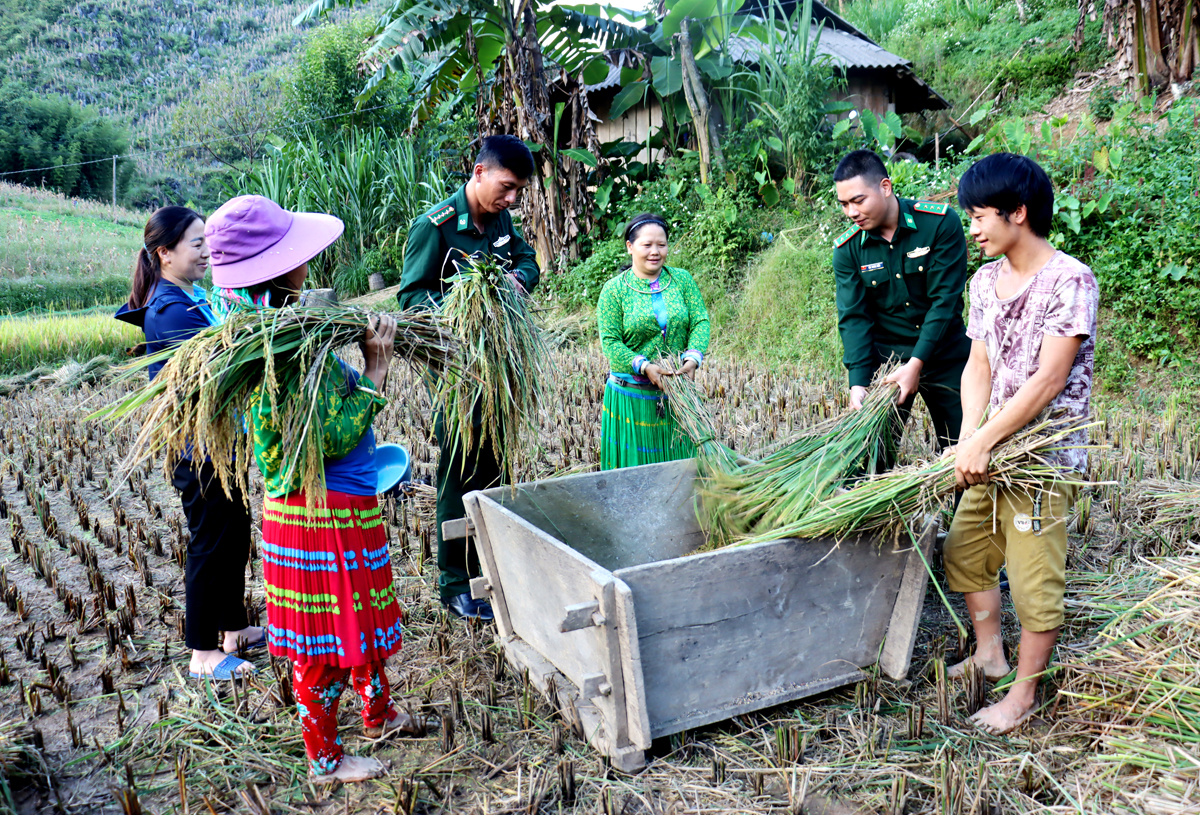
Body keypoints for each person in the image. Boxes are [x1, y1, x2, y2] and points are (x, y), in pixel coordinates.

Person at [207, 195, 422, 782]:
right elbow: (326, 436)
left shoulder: (278, 330)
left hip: (336, 507)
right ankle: (325, 759)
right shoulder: (282, 351)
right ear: (282, 269)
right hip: (315, 515)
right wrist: (376, 372)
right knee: (323, 639)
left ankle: (379, 712)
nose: (309, 263)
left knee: (360, 620)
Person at [943, 153, 1098, 735]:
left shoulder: (1069, 279)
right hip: (992, 451)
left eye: (980, 216)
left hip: (1042, 458)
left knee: (1034, 579)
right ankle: (989, 653)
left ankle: (1023, 694)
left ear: (1018, 212)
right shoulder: (984, 281)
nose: (974, 229)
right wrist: (968, 439)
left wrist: (986, 438)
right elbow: (977, 364)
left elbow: (1050, 378)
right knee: (965, 551)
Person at [115, 206, 263, 680]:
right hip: (197, 450)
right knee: (209, 544)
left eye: (206, 242)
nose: (206, 252)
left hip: (221, 442)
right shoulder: (169, 310)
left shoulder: (188, 295)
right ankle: (202, 652)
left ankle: (232, 629)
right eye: (196, 244)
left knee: (235, 535)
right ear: (165, 253)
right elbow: (220, 370)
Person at [397, 134, 540, 621]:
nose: (512, 199)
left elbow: (525, 259)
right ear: (479, 173)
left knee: (496, 469)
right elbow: (410, 301)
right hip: (457, 375)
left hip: (499, 373)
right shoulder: (433, 228)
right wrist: (465, 311)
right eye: (506, 186)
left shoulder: (500, 218)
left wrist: (520, 280)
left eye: (518, 190)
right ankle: (456, 582)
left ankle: (491, 569)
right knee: (459, 476)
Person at [832, 150, 971, 464]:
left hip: (945, 354)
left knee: (964, 451)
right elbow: (854, 318)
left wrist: (918, 363)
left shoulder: (938, 224)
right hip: (888, 363)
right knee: (868, 459)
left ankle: (960, 513)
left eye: (858, 200)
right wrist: (858, 382)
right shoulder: (848, 250)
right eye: (844, 204)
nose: (851, 212)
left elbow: (944, 302)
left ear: (885, 187)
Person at [596, 213, 710, 469]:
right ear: (630, 247)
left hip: (678, 396)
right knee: (636, 475)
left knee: (682, 470)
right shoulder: (614, 290)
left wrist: (693, 357)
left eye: (661, 244)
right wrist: (645, 366)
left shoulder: (682, 280)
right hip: (632, 398)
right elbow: (611, 343)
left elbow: (700, 321)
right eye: (647, 245)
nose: (655, 251)